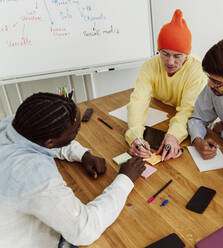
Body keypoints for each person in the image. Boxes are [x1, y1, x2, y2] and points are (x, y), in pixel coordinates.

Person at [0, 93, 145, 248]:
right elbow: (84, 231)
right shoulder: (34, 175)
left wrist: (83, 155)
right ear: (50, 142)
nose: (77, 135)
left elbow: (40, 141)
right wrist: (125, 179)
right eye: (74, 132)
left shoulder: (13, 124)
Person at [125, 9, 207, 161]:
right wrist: (134, 134)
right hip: (160, 112)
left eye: (177, 56)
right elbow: (138, 101)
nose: (170, 62)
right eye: (165, 54)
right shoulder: (150, 65)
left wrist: (174, 135)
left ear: (187, 55)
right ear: (159, 51)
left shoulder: (197, 69)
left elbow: (188, 109)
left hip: (182, 120)